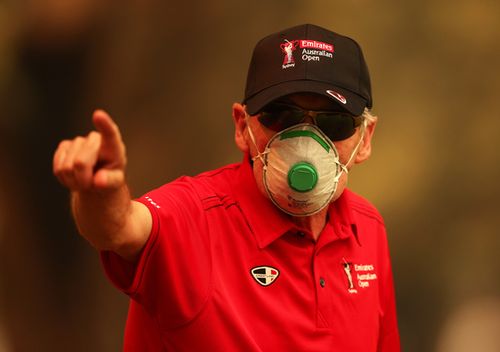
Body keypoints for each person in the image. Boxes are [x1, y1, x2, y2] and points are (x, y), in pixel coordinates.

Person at [53, 24, 400, 351]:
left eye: (334, 123)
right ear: (241, 125)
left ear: (365, 139)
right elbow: (119, 228)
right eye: (282, 117)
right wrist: (100, 193)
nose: (305, 142)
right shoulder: (193, 217)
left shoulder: (367, 228)